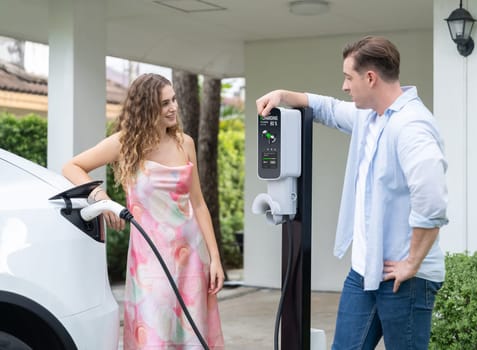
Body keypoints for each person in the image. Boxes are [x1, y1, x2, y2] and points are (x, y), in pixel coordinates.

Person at [256, 36, 448, 350]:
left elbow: (433, 202)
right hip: (363, 271)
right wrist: (282, 94)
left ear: (370, 77)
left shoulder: (413, 126)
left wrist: (411, 262)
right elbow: (328, 108)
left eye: (348, 77)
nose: (344, 86)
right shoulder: (369, 116)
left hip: (404, 280)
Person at [62, 73, 225, 349]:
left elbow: (198, 203)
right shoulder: (125, 143)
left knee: (193, 335)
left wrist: (215, 258)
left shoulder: (185, 143)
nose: (173, 107)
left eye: (174, 100)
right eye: (164, 103)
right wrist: (101, 198)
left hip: (192, 257)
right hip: (150, 261)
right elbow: (72, 167)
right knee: (154, 336)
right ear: (146, 108)